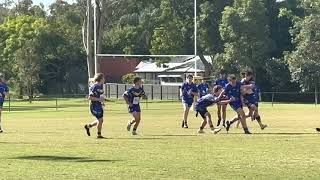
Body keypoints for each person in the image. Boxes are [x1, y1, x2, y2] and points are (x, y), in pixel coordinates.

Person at [84, 73, 106, 138]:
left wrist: (101, 102)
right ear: (101, 79)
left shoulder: (100, 86)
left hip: (98, 105)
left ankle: (88, 126)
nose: (104, 79)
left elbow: (99, 96)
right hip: (94, 106)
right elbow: (90, 97)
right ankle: (99, 135)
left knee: (100, 120)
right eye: (103, 78)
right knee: (100, 120)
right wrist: (99, 99)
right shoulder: (95, 87)